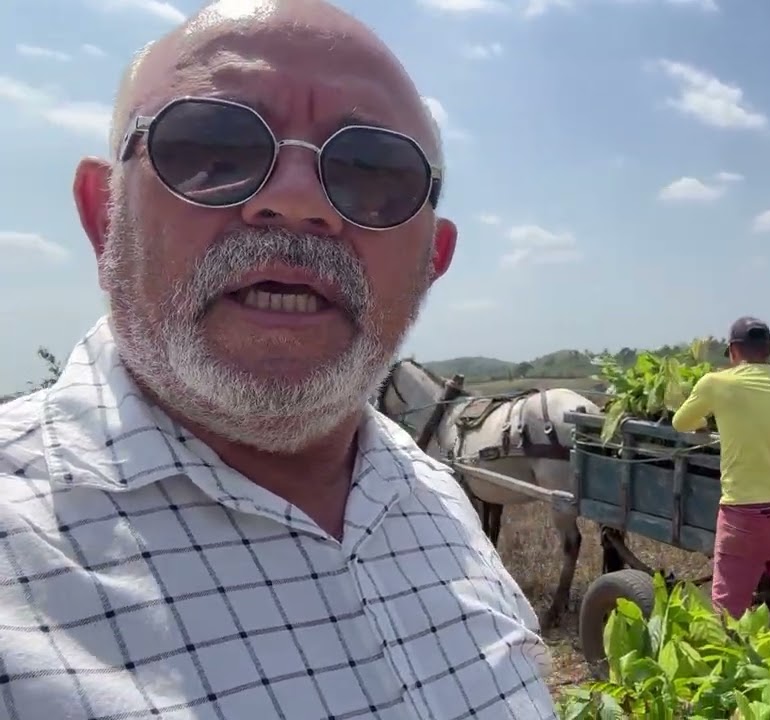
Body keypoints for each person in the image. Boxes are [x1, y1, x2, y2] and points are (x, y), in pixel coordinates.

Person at [0, 1, 556, 717]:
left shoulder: (438, 496)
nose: (296, 200)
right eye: (212, 149)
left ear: (431, 262)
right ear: (104, 217)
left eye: (371, 172)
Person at [671, 317, 770, 622]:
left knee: (728, 611)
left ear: (732, 351)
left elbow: (680, 422)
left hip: (742, 515)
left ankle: (728, 647)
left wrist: (706, 422)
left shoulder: (715, 383)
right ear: (769, 350)